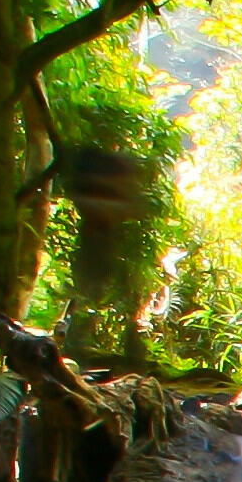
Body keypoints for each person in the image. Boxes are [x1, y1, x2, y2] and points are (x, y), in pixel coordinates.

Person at [55, 135, 160, 358]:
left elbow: (132, 205)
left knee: (94, 286)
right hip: (95, 235)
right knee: (88, 286)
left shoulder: (107, 177)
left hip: (102, 235)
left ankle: (77, 343)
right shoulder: (97, 176)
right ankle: (74, 344)